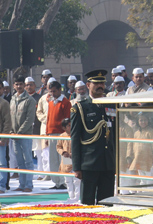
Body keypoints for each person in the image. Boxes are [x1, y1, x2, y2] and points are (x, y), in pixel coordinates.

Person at [71, 70, 115, 205]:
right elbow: (75, 139)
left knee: (107, 203)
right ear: (88, 85)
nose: (100, 86)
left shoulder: (111, 105)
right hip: (89, 163)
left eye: (102, 83)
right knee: (87, 203)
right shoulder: (80, 108)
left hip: (108, 163)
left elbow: (115, 134)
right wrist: (77, 167)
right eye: (96, 83)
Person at [10, 76, 37, 192]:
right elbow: (10, 117)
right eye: (17, 84)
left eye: (21, 84)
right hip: (14, 135)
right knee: (19, 160)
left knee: (28, 160)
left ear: (24, 86)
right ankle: (21, 184)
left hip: (25, 134)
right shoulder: (12, 99)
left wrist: (19, 132)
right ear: (14, 86)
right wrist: (12, 132)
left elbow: (29, 119)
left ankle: (29, 185)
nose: (19, 86)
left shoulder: (30, 100)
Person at [46, 79, 71, 190]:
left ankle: (65, 181)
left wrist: (67, 132)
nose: (52, 94)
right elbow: (48, 119)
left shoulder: (65, 102)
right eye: (51, 91)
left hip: (62, 134)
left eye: (54, 91)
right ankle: (56, 181)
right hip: (52, 133)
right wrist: (47, 132)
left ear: (60, 90)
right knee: (53, 159)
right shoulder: (51, 102)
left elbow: (67, 119)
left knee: (64, 157)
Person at [127, 113, 153, 185]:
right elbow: (133, 146)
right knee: (142, 180)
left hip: (148, 160)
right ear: (138, 121)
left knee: (150, 180)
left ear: (148, 121)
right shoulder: (136, 133)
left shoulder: (151, 132)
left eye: (145, 120)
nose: (143, 122)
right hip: (138, 159)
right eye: (141, 120)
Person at [56, 118, 79, 201]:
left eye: (71, 124)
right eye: (68, 125)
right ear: (64, 128)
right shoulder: (62, 136)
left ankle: (77, 197)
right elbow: (58, 147)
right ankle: (71, 196)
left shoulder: (77, 134)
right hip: (66, 159)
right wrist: (63, 152)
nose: (71, 126)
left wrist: (75, 153)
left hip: (76, 158)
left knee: (77, 179)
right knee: (68, 180)